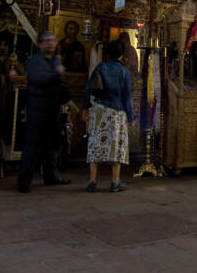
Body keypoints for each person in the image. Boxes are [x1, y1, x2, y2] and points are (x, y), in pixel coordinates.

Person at [17, 31, 72, 193]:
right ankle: (24, 181)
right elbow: (40, 78)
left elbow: (58, 83)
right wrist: (57, 72)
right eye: (47, 41)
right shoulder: (35, 61)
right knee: (32, 144)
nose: (50, 43)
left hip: (53, 108)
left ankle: (51, 175)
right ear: (40, 44)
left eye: (52, 40)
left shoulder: (55, 60)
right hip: (37, 107)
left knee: (53, 144)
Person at [82, 41, 134, 192]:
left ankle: (92, 181)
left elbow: (88, 88)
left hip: (99, 110)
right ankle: (115, 181)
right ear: (122, 55)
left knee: (95, 144)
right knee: (116, 146)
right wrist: (131, 116)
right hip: (116, 113)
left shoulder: (101, 67)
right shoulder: (124, 72)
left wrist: (85, 108)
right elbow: (127, 96)